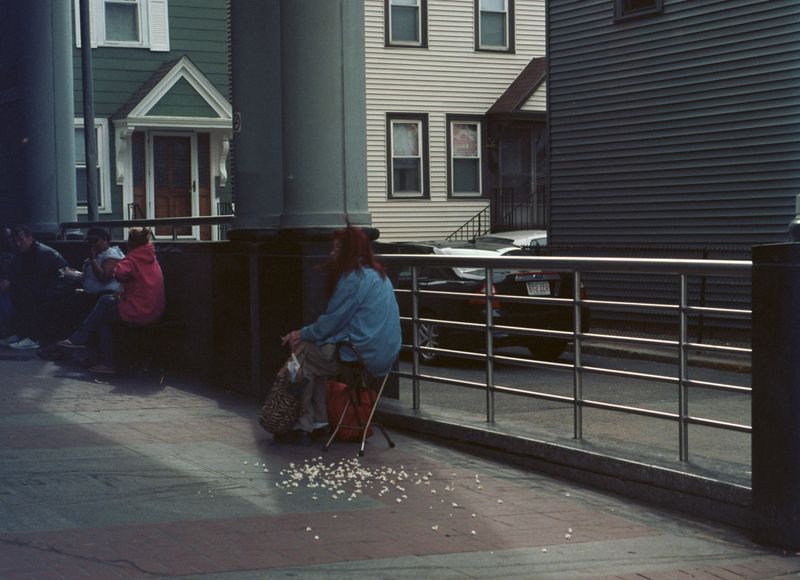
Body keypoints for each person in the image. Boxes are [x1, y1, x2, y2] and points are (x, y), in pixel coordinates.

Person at [281, 223, 401, 446]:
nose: (331, 252)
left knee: (303, 356)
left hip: (360, 354)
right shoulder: (377, 274)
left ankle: (304, 425)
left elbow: (331, 321)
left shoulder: (353, 278)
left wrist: (300, 333)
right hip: (382, 353)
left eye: (336, 248)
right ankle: (318, 422)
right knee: (313, 352)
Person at [58, 227, 165, 374]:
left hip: (140, 310)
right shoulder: (151, 257)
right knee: (104, 314)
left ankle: (82, 343)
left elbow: (117, 274)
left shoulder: (132, 258)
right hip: (154, 308)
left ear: (131, 242)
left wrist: (101, 259)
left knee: (104, 303)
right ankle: (99, 357)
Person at [36, 227, 125, 354]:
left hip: (104, 296)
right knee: (55, 301)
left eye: (96, 241)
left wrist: (93, 259)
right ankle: (57, 344)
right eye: (90, 241)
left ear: (105, 240)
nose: (93, 244)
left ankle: (67, 344)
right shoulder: (98, 254)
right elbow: (91, 277)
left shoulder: (111, 255)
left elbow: (104, 277)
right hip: (90, 293)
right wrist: (75, 275)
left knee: (68, 308)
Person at [0, 225, 68, 350]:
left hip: (56, 288)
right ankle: (22, 333)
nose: (18, 243)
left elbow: (39, 279)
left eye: (21, 240)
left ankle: (34, 337)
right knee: (18, 295)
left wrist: (14, 285)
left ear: (30, 238)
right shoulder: (25, 253)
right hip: (43, 286)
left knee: (30, 297)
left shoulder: (42, 253)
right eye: (15, 241)